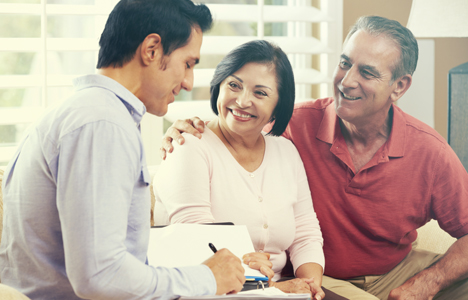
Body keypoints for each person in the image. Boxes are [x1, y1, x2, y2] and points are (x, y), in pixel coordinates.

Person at [160, 16, 468, 300]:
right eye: (345, 63)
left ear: (399, 86)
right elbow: (237, 124)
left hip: (398, 269)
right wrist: (185, 129)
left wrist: (430, 281)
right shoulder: (295, 126)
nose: (346, 81)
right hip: (329, 277)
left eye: (367, 72)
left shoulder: (430, 152)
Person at [0, 0, 246, 299]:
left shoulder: (85, 113)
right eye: (188, 64)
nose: (189, 82)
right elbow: (100, 276)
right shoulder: (102, 123)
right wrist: (206, 278)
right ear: (152, 49)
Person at [152, 40, 326, 299]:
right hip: (208, 291)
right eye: (234, 85)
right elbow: (200, 245)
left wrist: (310, 285)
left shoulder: (286, 151)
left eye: (260, 93)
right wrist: (271, 288)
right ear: (218, 86)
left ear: (279, 105)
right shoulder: (189, 145)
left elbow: (305, 233)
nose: (242, 101)